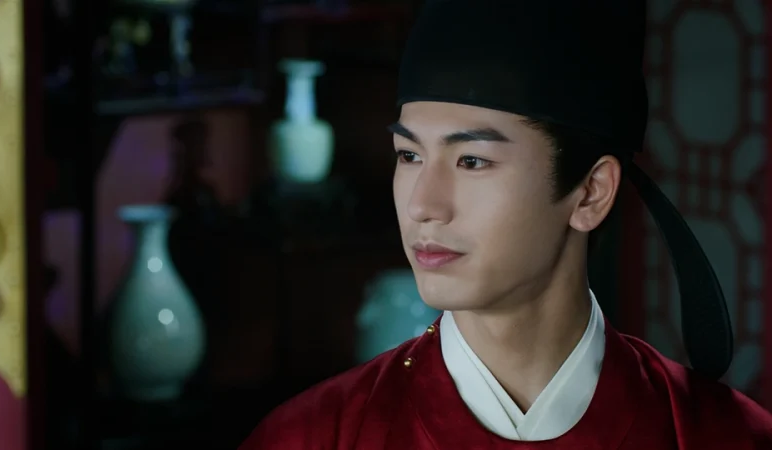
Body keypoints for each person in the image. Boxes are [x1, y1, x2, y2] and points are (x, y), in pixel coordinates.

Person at [239, 0, 772, 448]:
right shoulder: (310, 437)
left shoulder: (721, 436)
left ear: (591, 192)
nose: (424, 205)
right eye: (409, 155)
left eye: (471, 161)